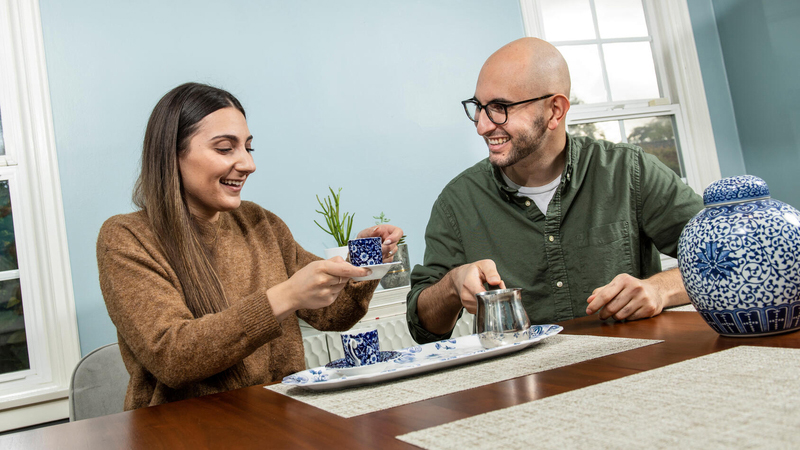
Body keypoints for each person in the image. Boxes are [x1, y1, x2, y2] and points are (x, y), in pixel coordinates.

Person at [97, 82, 402, 410]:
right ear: (172, 154)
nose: (247, 164)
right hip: (185, 432)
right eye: (225, 148)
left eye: (248, 148)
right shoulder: (126, 238)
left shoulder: (261, 223)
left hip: (280, 420)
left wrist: (361, 263)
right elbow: (173, 357)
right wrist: (284, 296)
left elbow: (334, 316)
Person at [407, 38, 704, 344]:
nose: (482, 126)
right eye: (479, 107)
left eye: (500, 108)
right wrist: (452, 286)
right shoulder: (457, 202)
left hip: (631, 371)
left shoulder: (630, 171)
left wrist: (660, 289)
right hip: (519, 385)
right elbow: (425, 329)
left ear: (555, 110)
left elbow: (728, 255)